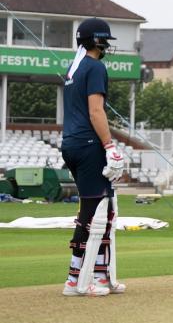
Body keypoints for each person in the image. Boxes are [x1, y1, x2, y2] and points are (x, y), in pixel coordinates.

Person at [60, 18, 126, 297]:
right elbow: (96, 111)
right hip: (89, 145)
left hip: (72, 144)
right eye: (105, 41)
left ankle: (100, 274)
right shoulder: (95, 66)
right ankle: (75, 280)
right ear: (98, 41)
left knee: (105, 209)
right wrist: (109, 145)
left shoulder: (75, 67)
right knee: (93, 213)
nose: (107, 45)